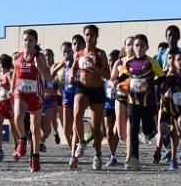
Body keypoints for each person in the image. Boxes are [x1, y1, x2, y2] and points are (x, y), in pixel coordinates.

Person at [114, 34, 164, 170]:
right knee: (133, 129)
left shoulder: (150, 62)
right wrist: (118, 81)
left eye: (142, 45)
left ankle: (151, 128)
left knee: (147, 129)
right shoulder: (129, 62)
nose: (139, 48)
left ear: (147, 47)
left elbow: (162, 76)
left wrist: (151, 82)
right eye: (137, 45)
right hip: (133, 102)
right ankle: (134, 158)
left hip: (148, 102)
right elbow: (124, 74)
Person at [68, 25, 110, 170]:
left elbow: (108, 75)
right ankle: (82, 142)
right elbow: (73, 67)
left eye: (92, 35)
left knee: (96, 129)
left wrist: (95, 67)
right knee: (77, 114)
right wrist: (72, 75)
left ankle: (98, 154)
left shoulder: (100, 54)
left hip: (97, 90)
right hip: (83, 88)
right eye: (87, 34)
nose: (89, 37)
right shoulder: (79, 53)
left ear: (96, 37)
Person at [11, 30, 52, 172]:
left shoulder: (39, 57)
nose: (27, 43)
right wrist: (11, 90)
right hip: (20, 92)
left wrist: (39, 67)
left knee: (35, 128)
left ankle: (35, 157)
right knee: (17, 117)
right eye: (25, 40)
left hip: (35, 94)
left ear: (35, 42)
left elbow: (48, 77)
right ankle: (22, 138)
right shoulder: (18, 56)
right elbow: (15, 75)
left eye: (30, 40)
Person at [0, 54, 15, 163]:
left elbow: (12, 88)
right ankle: (0, 151)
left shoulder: (9, 74)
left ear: (2, 63)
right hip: (0, 103)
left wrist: (13, 106)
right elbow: (1, 89)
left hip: (9, 103)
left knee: (14, 129)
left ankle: (17, 147)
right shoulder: (0, 76)